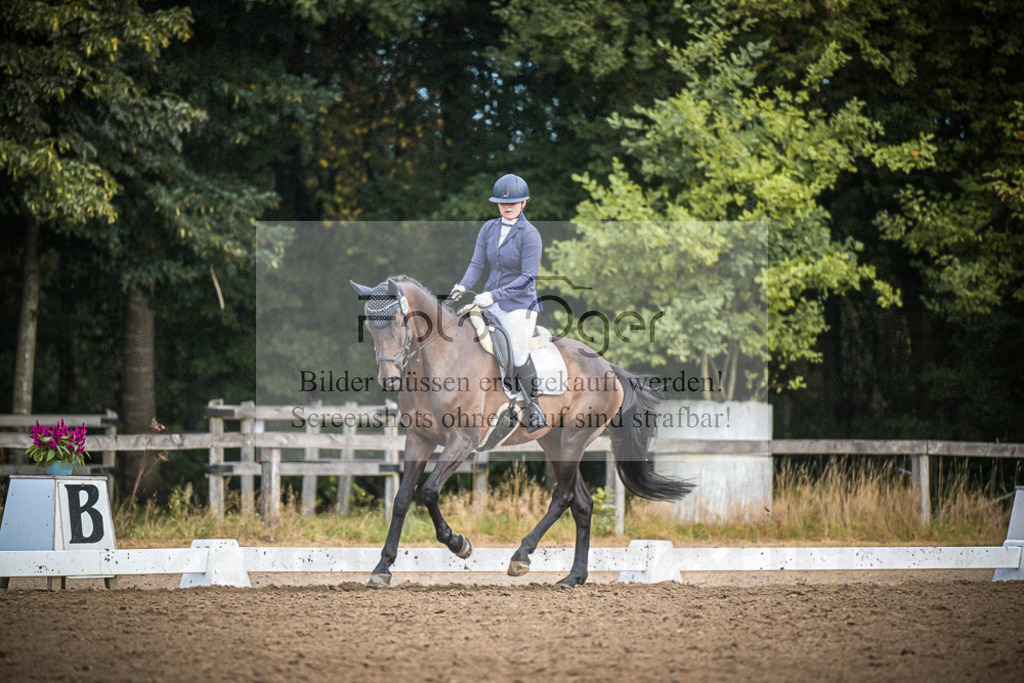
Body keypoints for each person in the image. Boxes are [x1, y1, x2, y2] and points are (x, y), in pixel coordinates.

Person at [450, 173, 547, 433]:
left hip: (519, 305)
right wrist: (462, 286)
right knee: (461, 335)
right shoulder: (489, 228)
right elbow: (477, 264)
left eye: (513, 203)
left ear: (524, 203)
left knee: (517, 353)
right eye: (502, 202)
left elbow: (528, 278)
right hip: (489, 299)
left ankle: (533, 406)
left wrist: (494, 295)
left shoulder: (531, 235)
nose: (507, 206)